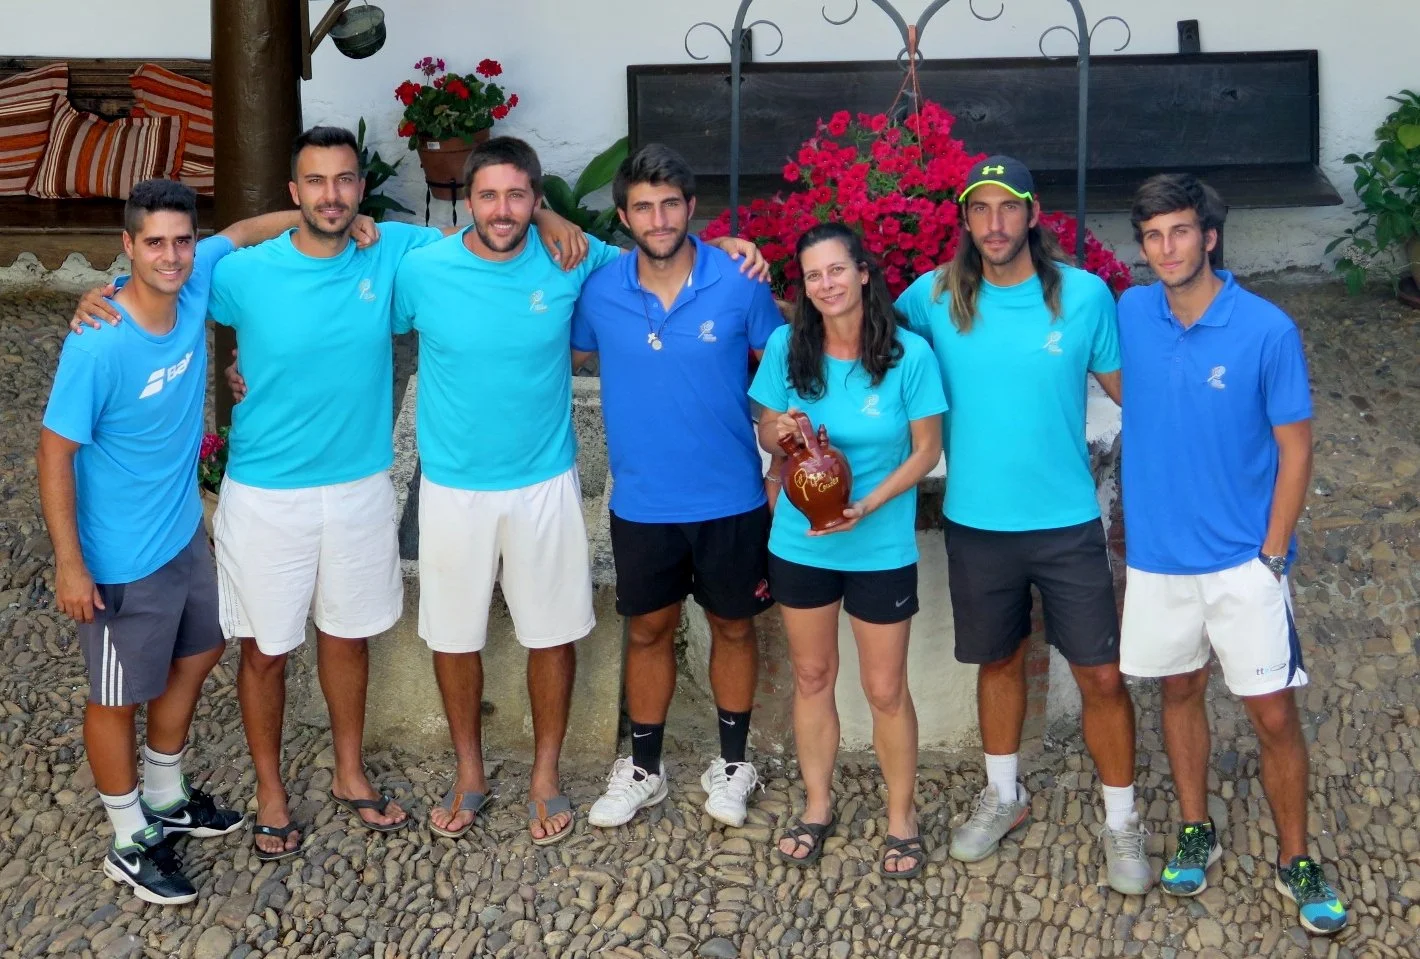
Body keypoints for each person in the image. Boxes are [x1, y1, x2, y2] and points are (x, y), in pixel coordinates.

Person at [77, 124, 586, 861]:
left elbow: (491, 221)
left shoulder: (393, 252)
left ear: (362, 188)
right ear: (295, 192)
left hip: (360, 485)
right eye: (315, 182)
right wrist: (98, 297)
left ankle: (350, 773)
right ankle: (271, 794)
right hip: (266, 491)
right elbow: (167, 272)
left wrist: (549, 214)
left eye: (345, 180)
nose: (332, 195)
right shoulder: (241, 274)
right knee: (266, 650)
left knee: (348, 637)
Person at [392, 136, 770, 843]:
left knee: (557, 633)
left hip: (553, 481)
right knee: (454, 636)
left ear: (537, 198)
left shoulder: (581, 262)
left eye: (518, 196)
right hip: (456, 484)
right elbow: (351, 314)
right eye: (487, 195)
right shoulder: (424, 267)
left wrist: (730, 248)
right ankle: (473, 772)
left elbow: (682, 266)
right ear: (465, 202)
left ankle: (551, 775)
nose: (502, 209)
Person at [38, 179, 336, 903]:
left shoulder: (195, 281)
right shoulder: (99, 340)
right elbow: (53, 452)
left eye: (181, 241)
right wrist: (70, 563)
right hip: (116, 557)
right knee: (116, 696)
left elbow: (247, 228)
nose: (171, 257)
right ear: (127, 247)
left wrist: (326, 215)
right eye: (155, 244)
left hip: (180, 533)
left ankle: (165, 794)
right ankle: (128, 838)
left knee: (203, 649)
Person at [894, 155, 1151, 895]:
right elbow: (856, 332)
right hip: (977, 523)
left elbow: (1134, 394)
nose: (995, 222)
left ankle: (1122, 818)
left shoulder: (1085, 295)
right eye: (980, 208)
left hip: (1066, 521)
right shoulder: (934, 296)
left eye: (1008, 206)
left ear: (1033, 214)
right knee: (998, 661)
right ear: (965, 220)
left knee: (1101, 673)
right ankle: (1004, 794)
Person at [1118, 173, 1348, 934]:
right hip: (1159, 560)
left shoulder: (1267, 329)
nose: (1166, 249)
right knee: (1178, 691)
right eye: (1153, 236)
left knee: (1273, 713)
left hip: (1244, 561)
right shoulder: (1130, 312)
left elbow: (1296, 449)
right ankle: (1197, 828)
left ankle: (1296, 858)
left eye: (1180, 232)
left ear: (1209, 237)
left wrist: (1272, 554)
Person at [570, 144, 783, 830]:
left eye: (670, 204)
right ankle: (644, 768)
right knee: (648, 630)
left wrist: (782, 457)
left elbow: (784, 367)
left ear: (692, 208)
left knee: (734, 627)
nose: (658, 219)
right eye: (643, 207)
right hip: (643, 502)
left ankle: (733, 763)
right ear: (624, 216)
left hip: (732, 497)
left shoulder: (738, 280)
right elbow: (557, 343)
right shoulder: (599, 289)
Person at [750, 222, 945, 878]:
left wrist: (868, 504)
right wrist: (783, 430)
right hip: (801, 542)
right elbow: (766, 425)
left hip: (878, 544)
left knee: (885, 688)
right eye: (813, 275)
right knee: (812, 676)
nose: (826, 284)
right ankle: (817, 804)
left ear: (863, 273)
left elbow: (926, 450)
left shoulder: (909, 355)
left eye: (837, 270)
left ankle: (901, 816)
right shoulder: (788, 345)